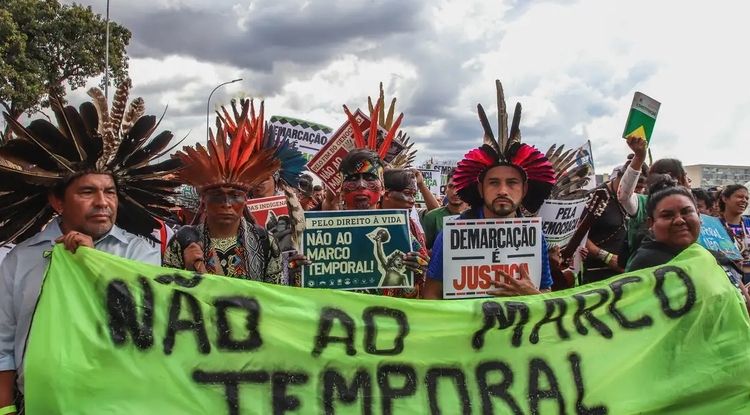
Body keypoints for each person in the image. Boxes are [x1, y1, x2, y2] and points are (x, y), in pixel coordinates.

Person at [0, 79, 184, 414]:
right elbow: (3, 344)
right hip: (41, 404)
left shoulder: (140, 254)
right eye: (87, 192)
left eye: (109, 192)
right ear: (58, 202)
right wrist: (5, 409)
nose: (102, 202)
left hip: (120, 403)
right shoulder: (19, 260)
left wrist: (92, 263)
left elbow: (147, 325)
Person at [423, 80, 556, 299]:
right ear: (480, 188)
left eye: (512, 183)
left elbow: (545, 291)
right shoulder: (451, 234)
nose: (503, 190)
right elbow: (431, 296)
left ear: (524, 189)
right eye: (494, 182)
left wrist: (532, 295)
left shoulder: (535, 237)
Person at [164, 99, 309, 283]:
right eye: (217, 196)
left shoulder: (265, 241)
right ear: (204, 200)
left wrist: (292, 270)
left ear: (245, 200)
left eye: (235, 196)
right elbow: (165, 295)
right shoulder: (182, 241)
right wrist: (187, 272)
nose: (226, 204)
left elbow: (275, 295)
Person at [582, 157, 648, 284]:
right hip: (597, 274)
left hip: (626, 273)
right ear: (624, 179)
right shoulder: (594, 197)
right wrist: (606, 257)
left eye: (642, 189)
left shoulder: (638, 200)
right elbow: (578, 234)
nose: (638, 192)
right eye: (637, 187)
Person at [420, 168, 466, 250]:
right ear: (445, 189)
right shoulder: (432, 217)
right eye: (451, 186)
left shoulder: (477, 216)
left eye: (460, 186)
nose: (455, 192)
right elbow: (422, 250)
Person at [718, 185, 750, 277]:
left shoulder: (748, 223)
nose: (744, 200)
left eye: (746, 198)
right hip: (726, 277)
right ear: (724, 199)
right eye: (739, 196)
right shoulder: (713, 225)